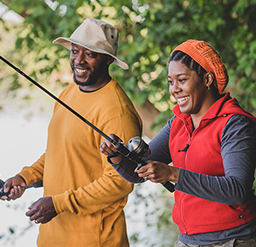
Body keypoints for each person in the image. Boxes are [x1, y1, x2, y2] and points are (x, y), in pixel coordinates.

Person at [1, 18, 142, 247]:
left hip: (95, 241)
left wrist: (58, 204)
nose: (78, 60)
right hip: (51, 239)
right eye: (75, 51)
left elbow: (120, 182)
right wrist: (25, 178)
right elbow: (58, 153)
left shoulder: (117, 112)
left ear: (107, 60)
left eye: (90, 54)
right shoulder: (68, 93)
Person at [100, 40, 256, 247]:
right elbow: (138, 172)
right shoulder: (178, 123)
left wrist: (173, 174)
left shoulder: (235, 124)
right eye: (170, 82)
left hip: (233, 239)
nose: (174, 90)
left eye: (181, 80)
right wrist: (116, 155)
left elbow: (237, 190)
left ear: (207, 79)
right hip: (187, 240)